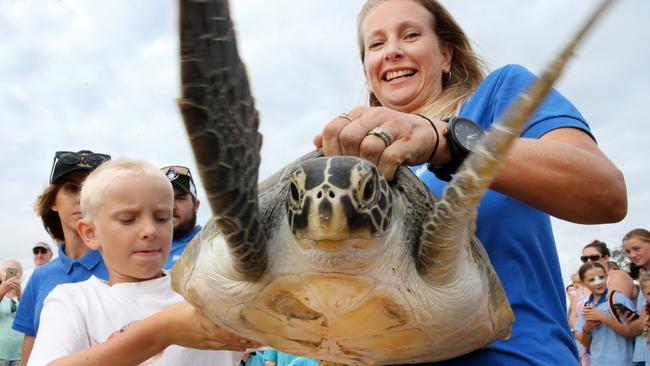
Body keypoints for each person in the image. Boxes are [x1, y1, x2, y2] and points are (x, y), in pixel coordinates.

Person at [314, 0, 627, 364]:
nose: (393, 51)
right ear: (368, 70)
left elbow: (605, 191)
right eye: (376, 44)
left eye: (411, 35)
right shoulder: (359, 170)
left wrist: (448, 141)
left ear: (446, 54)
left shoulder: (497, 98)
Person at [28, 158, 258, 365]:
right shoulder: (73, 302)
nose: (150, 231)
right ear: (90, 233)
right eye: (128, 219)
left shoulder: (210, 291)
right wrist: (161, 332)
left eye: (162, 218)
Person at [12, 150, 111, 365]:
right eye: (72, 188)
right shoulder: (40, 277)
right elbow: (32, 339)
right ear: (53, 201)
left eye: (93, 188)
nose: (83, 197)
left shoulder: (125, 268)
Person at [575, 262, 634, 366]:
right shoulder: (586, 306)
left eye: (601, 277)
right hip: (597, 362)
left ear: (607, 277)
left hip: (624, 362)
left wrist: (604, 318)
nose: (598, 282)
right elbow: (586, 344)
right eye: (592, 280)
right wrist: (586, 328)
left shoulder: (618, 298)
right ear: (583, 283)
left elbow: (634, 334)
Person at [161, 165, 201, 270]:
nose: (171, 206)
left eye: (179, 198)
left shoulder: (211, 245)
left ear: (196, 205)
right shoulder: (138, 247)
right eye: (164, 198)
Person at [621, 229, 650, 364]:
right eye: (628, 251)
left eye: (637, 248)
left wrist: (631, 328)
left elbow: (642, 324)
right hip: (642, 352)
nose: (632, 255)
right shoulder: (644, 278)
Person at [0, 260, 23, 366]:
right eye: (6, 270)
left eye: (14, 271)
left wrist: (19, 295)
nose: (10, 273)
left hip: (20, 353)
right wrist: (2, 291)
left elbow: (30, 316)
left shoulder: (24, 293)